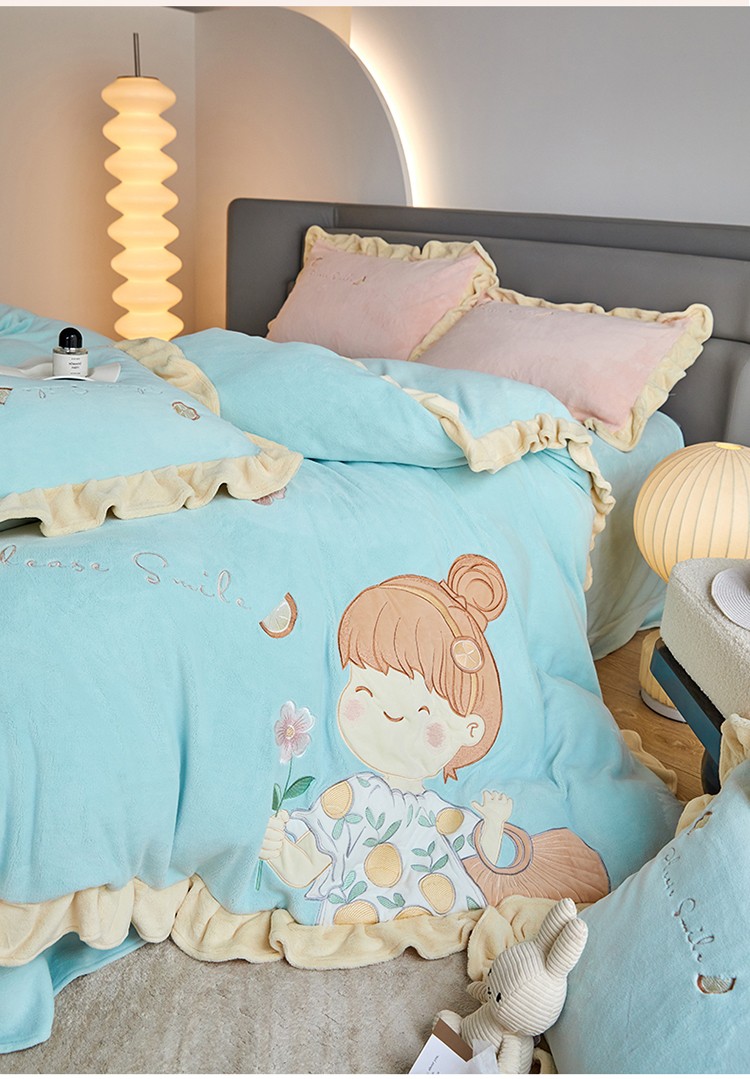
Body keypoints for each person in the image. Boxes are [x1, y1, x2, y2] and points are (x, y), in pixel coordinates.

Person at [259, 554, 608, 925]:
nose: (389, 713)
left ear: (470, 729)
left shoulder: (437, 812)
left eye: (422, 711)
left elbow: (483, 856)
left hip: (440, 914)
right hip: (360, 912)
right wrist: (278, 850)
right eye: (364, 690)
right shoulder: (351, 797)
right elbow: (308, 866)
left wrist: (493, 822)